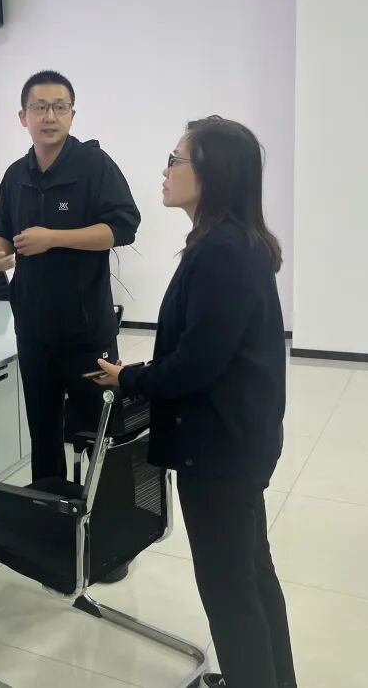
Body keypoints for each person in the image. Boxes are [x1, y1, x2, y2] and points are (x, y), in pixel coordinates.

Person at [94, 116, 297, 688]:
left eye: (175, 160)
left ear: (212, 173)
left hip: (220, 453)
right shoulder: (228, 243)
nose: (165, 171)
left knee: (230, 590)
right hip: (237, 442)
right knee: (251, 576)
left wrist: (130, 378)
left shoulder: (222, 252)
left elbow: (197, 365)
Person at [0, 70, 140, 486]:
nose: (49, 116)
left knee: (98, 433)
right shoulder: (15, 175)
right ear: (23, 117)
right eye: (39, 107)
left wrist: (54, 238)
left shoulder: (94, 166)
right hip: (34, 330)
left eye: (59, 107)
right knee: (43, 432)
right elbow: (3, 232)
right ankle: (48, 507)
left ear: (72, 114)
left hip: (86, 331)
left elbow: (123, 228)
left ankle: (102, 514)